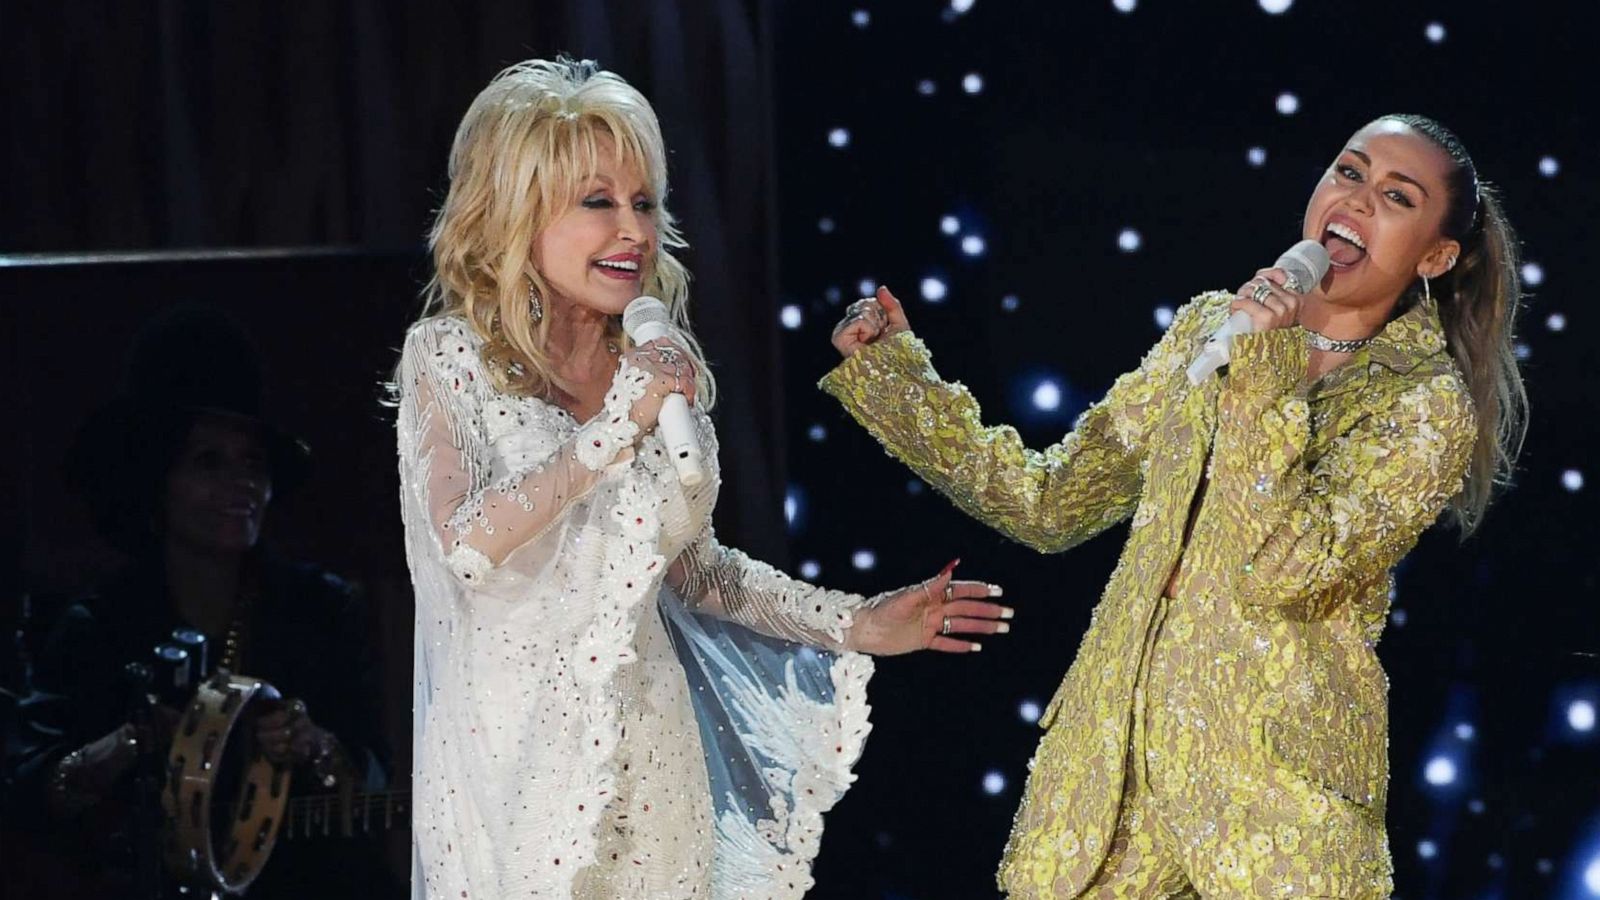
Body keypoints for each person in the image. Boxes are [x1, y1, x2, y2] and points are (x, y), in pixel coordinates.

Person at [822, 114, 1526, 898]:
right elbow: (1051, 501)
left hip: (1273, 820)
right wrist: (898, 382)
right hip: (1108, 798)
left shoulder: (1425, 405)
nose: (1356, 201)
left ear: (1434, 255)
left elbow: (1285, 569)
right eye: (1349, 173)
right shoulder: (1208, 329)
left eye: (1395, 196)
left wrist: (1263, 368)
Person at [394, 57, 1012, 900]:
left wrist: (856, 623)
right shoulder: (451, 357)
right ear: (516, 215)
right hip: (516, 772)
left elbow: (695, 570)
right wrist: (617, 424)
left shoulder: (658, 370)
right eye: (598, 203)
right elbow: (465, 541)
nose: (635, 232)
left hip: (654, 761)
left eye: (645, 203)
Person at [7, 307, 395, 898]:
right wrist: (130, 742)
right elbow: (33, 789)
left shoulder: (322, 611)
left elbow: (381, 777)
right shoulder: (99, 624)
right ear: (156, 481)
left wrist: (316, 745)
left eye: (252, 463)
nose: (238, 483)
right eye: (208, 461)